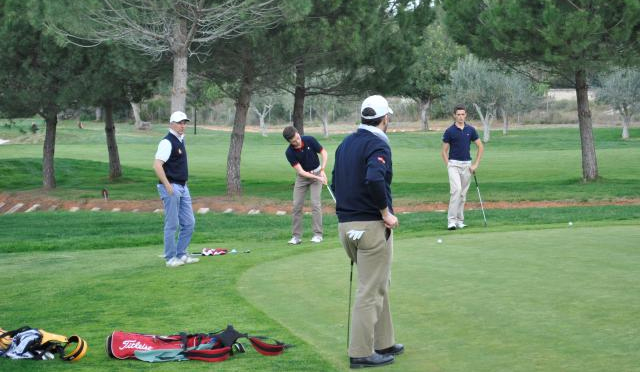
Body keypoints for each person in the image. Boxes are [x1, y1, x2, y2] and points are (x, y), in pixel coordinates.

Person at [331, 95, 402, 369]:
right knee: (370, 290)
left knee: (377, 284)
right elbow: (374, 178)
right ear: (385, 119)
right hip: (372, 226)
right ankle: (361, 352)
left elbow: (336, 182)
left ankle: (384, 342)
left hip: (345, 226)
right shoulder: (377, 143)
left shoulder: (345, 143)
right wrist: (385, 212)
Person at [153, 111, 199, 267]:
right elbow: (157, 165)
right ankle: (170, 258)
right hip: (171, 186)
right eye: (180, 123)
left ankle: (181, 254)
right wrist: (167, 185)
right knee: (172, 224)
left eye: (184, 123)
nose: (183, 125)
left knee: (189, 222)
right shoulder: (167, 142)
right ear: (171, 124)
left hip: (183, 186)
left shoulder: (181, 140)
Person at [282, 126, 328, 245]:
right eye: (293, 141)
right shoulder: (289, 152)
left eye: (297, 138)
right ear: (289, 142)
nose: (297, 141)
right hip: (302, 178)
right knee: (297, 205)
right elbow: (301, 172)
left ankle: (318, 234)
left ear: (298, 133)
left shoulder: (309, 140)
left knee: (315, 203)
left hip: (317, 172)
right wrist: (319, 178)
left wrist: (322, 170)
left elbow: (324, 152)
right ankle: (296, 237)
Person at [441, 105, 484, 230]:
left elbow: (480, 147)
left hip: (467, 165)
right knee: (456, 191)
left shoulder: (471, 130)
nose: (460, 116)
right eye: (458, 114)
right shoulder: (450, 131)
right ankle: (451, 221)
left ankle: (459, 220)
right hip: (453, 164)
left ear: (466, 115)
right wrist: (448, 165)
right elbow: (443, 151)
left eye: (462, 114)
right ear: (455, 115)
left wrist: (475, 164)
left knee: (463, 195)